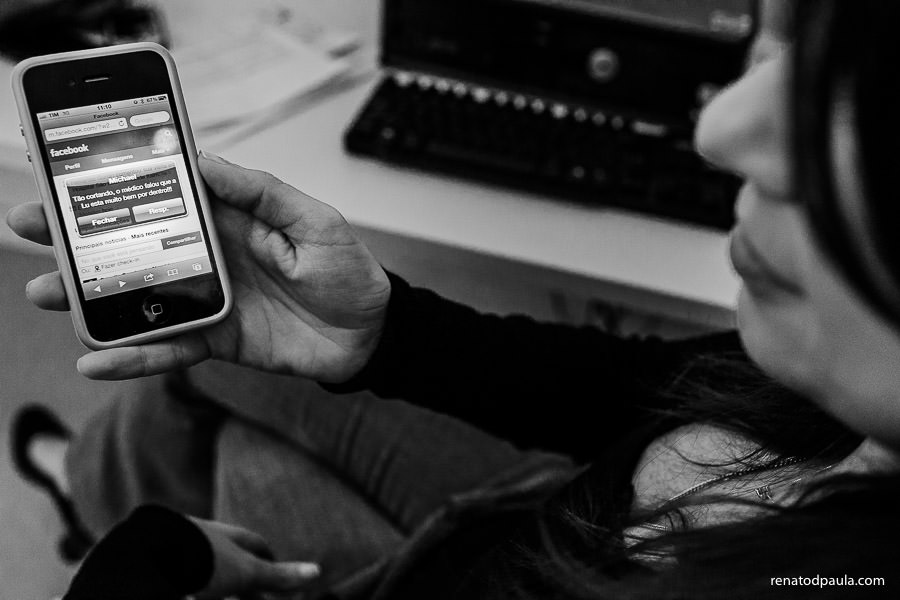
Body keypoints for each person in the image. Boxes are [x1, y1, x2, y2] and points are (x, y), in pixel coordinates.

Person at [8, 0, 900, 597]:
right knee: (215, 363)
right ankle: (87, 483)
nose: (720, 128)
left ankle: (83, 498)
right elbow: (642, 390)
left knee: (214, 440)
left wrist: (141, 565)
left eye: (872, 91)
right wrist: (384, 333)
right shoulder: (838, 394)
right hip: (522, 517)